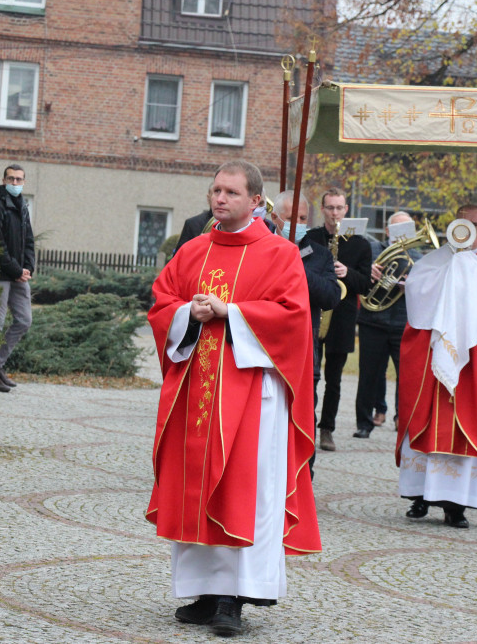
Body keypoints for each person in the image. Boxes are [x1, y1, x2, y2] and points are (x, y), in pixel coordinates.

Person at [146, 160, 321, 637]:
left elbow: (292, 318)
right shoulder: (193, 250)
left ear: (256, 202)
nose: (220, 199)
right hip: (197, 394)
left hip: (253, 397)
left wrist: (232, 313)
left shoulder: (280, 253)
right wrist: (187, 311)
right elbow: (161, 302)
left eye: (231, 192)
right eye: (215, 190)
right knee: (197, 489)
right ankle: (205, 593)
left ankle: (235, 597)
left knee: (244, 490)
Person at [396, 204, 477, 528]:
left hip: (474, 359)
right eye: (461, 222)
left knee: (470, 424)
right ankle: (419, 497)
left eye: (476, 225)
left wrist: (468, 280)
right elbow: (416, 295)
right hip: (434, 356)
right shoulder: (433, 261)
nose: (468, 229)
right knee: (424, 419)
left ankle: (457, 505)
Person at [270, 190, 340, 476]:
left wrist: (296, 266)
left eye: (302, 218)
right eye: (290, 218)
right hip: (264, 349)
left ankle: (301, 474)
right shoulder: (260, 247)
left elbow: (331, 296)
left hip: (303, 352)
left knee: (301, 416)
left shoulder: (319, 254)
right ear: (275, 218)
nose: (297, 224)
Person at [306, 189, 372, 450]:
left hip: (342, 320)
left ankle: (327, 429)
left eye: (339, 208)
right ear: (322, 209)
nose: (335, 214)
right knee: (310, 376)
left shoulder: (360, 244)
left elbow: (366, 284)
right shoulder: (311, 239)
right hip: (314, 315)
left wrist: (347, 273)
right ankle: (307, 425)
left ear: (346, 210)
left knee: (334, 380)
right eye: (330, 208)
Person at [356, 211, 419, 436]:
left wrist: (412, 284)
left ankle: (402, 420)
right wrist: (368, 271)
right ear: (387, 231)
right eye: (398, 229)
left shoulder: (417, 256)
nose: (403, 234)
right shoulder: (371, 250)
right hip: (372, 321)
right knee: (368, 375)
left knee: (406, 376)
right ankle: (364, 424)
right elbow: (356, 277)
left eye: (407, 229)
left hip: (403, 323)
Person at [0, 164, 36, 392]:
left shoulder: (22, 205)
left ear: (24, 182)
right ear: (4, 180)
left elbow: (29, 240)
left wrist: (27, 267)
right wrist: (16, 270)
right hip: (1, 274)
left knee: (24, 320)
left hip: (18, 276)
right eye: (11, 179)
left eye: (19, 180)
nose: (15, 183)